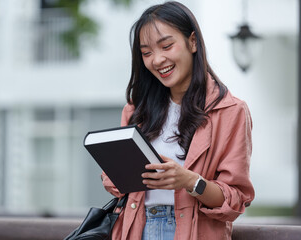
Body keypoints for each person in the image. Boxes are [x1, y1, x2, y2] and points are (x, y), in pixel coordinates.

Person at [101, 1, 255, 240]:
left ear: (192, 42)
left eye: (166, 46)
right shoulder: (136, 110)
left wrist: (188, 180)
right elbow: (119, 187)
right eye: (147, 53)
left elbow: (234, 199)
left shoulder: (231, 111)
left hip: (194, 232)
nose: (158, 60)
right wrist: (113, 170)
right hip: (134, 229)